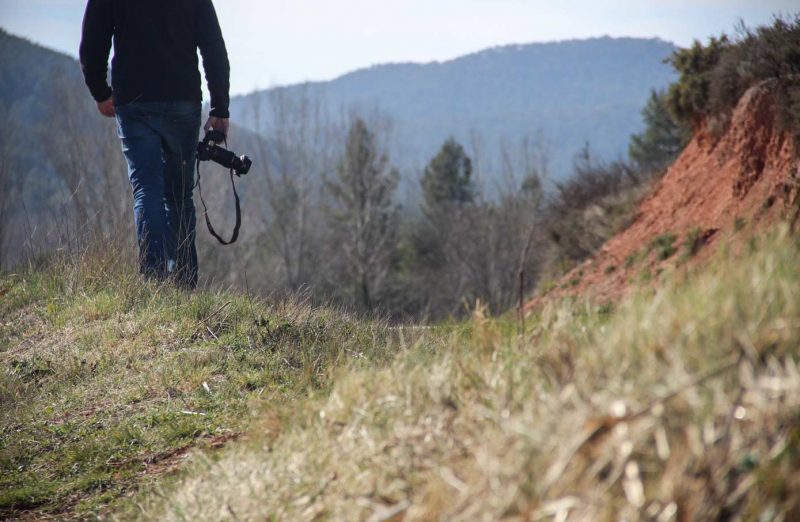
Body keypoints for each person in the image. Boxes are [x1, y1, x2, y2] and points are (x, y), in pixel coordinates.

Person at [79, 0, 231, 289]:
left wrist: (100, 91)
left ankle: (154, 280)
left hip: (134, 102)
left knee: (146, 191)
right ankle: (184, 284)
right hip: (182, 100)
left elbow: (92, 44)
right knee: (179, 196)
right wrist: (220, 108)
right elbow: (212, 46)